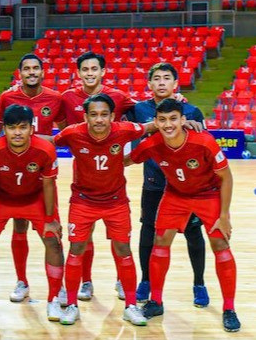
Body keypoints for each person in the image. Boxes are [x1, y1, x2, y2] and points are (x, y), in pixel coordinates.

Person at [126, 98, 241, 332]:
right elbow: (127, 160)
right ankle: (156, 301)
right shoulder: (152, 143)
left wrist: (225, 214)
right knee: (160, 241)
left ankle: (229, 308)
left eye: (173, 119)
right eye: (163, 120)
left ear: (183, 120)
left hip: (208, 194)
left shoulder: (204, 141)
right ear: (156, 122)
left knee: (219, 243)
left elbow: (226, 177)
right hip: (175, 194)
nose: (168, 124)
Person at [53, 93, 149, 326]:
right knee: (76, 248)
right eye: (93, 115)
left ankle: (130, 306)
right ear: (85, 116)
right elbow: (47, 144)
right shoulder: (72, 133)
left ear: (113, 116)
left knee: (123, 249)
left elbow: (153, 125)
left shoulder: (125, 130)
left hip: (116, 201)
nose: (99, 120)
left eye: (104, 115)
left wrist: (186, 117)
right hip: (83, 200)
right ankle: (73, 305)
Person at [0, 104, 63, 320]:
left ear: (32, 128)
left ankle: (54, 300)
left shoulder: (45, 149)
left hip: (35, 199)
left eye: (23, 127)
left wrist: (50, 219)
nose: (17, 132)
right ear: (5, 129)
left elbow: (49, 185)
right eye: (12, 128)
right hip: (2, 199)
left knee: (53, 241)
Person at [125, 62, 209, 305]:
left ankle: (199, 284)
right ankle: (146, 280)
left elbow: (204, 149)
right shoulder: (138, 110)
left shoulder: (191, 112)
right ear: (149, 84)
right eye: (156, 78)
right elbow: (122, 129)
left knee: (194, 233)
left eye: (166, 78)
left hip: (187, 187)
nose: (161, 82)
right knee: (148, 231)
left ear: (175, 84)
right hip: (153, 184)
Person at [60, 51, 137, 301]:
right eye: (85, 69)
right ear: (79, 73)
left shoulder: (118, 97)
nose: (90, 73)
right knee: (84, 237)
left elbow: (146, 113)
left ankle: (121, 281)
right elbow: (52, 120)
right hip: (83, 168)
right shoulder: (67, 97)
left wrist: (175, 101)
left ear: (103, 71)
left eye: (95, 68)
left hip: (112, 174)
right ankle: (86, 282)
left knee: (120, 240)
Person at [0, 53, 66, 303]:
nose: (31, 72)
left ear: (43, 72)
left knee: (52, 230)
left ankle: (60, 286)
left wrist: (45, 141)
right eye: (26, 69)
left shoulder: (56, 98)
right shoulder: (7, 97)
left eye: (36, 68)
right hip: (14, 172)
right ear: (20, 73)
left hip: (43, 173)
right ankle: (21, 281)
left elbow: (67, 131)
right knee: (19, 226)